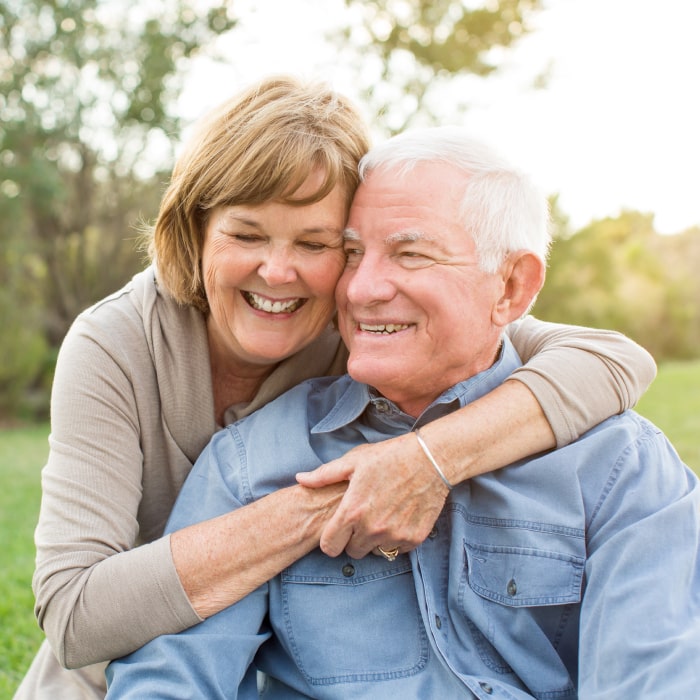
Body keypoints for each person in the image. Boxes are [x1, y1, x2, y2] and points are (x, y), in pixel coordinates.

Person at [16, 77, 656, 700]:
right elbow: (76, 615)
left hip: (267, 639)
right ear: (196, 230)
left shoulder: (368, 325)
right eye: (245, 234)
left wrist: (427, 459)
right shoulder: (116, 344)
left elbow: (610, 358)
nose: (278, 270)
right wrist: (347, 494)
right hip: (109, 666)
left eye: (316, 243)